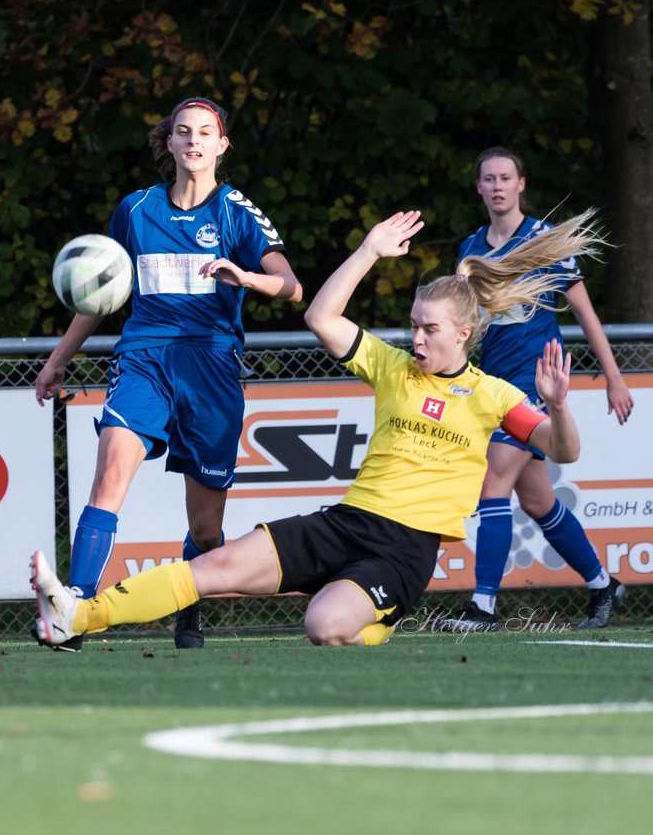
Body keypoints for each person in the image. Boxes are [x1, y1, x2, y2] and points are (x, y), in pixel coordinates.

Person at [32, 209, 598, 650]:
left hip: (402, 555)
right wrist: (368, 251)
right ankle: (78, 615)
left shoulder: (493, 395)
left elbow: (561, 450)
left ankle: (379, 622)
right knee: (213, 567)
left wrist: (559, 407)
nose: (417, 339)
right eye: (413, 326)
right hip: (346, 523)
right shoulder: (393, 366)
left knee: (324, 626)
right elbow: (320, 316)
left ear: (466, 332)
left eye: (430, 330)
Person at [34, 97, 302, 650]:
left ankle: (189, 608)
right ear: (171, 143)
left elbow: (292, 286)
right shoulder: (135, 211)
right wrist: (58, 359)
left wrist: (246, 278)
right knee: (110, 474)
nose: (194, 140)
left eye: (205, 132)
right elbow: (99, 294)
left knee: (205, 527)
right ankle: (75, 611)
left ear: (222, 145)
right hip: (145, 358)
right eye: (183, 132)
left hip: (211, 368)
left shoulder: (236, 212)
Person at [437, 147, 633, 634]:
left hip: (535, 382)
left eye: (506, 177)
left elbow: (585, 313)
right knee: (538, 502)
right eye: (489, 178)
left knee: (492, 485)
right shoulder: (470, 250)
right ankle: (602, 584)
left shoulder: (543, 241)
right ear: (479, 187)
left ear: (521, 184)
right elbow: (468, 324)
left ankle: (482, 607)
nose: (498, 186)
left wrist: (613, 377)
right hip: (492, 386)